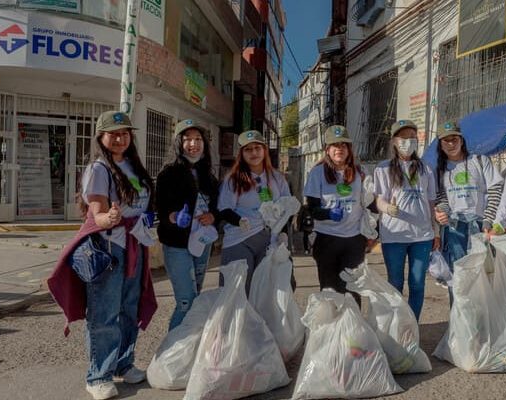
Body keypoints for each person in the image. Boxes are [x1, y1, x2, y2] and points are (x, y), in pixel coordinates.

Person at [48, 111, 157, 400]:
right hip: (109, 248)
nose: (120, 138)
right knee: (104, 313)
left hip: (135, 243)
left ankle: (123, 364)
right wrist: (107, 217)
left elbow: (141, 205)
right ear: (101, 137)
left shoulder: (132, 166)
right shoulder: (99, 169)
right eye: (113, 133)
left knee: (129, 308)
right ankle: (98, 375)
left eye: (124, 133)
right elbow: (97, 214)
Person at [155, 119, 221, 331]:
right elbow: (160, 208)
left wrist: (213, 216)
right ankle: (172, 353)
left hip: (201, 243)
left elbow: (217, 206)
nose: (194, 144)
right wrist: (174, 217)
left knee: (196, 298)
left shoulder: (208, 175)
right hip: (177, 244)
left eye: (198, 139)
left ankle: (190, 351)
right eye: (188, 140)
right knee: (186, 301)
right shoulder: (168, 173)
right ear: (179, 143)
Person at [373, 119, 437, 320]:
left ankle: (412, 327)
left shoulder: (425, 168)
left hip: (422, 236)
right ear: (394, 141)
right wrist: (387, 208)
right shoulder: (383, 169)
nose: (408, 141)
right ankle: (397, 327)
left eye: (412, 137)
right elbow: (379, 200)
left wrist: (436, 232)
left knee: (417, 283)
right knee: (395, 283)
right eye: (403, 137)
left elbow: (431, 201)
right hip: (394, 236)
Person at [303, 125, 372, 305]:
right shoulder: (317, 173)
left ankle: (351, 330)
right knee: (329, 289)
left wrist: (371, 233)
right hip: (326, 239)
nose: (339, 149)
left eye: (343, 145)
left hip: (353, 240)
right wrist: (327, 213)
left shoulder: (360, 173)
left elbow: (369, 206)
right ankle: (330, 331)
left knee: (352, 288)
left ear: (349, 149)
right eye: (335, 145)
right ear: (328, 149)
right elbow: (312, 209)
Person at [433, 121, 504, 293]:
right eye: (446, 140)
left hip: (480, 227)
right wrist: (442, 212)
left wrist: (488, 220)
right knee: (457, 279)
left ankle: (481, 319)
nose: (451, 144)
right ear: (440, 145)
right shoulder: (439, 170)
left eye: (454, 139)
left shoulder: (479, 161)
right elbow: (441, 198)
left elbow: (496, 189)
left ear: (462, 140)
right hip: (453, 229)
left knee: (483, 278)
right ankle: (458, 319)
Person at [218, 130, 290, 293]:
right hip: (241, 238)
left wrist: (284, 232)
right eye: (248, 149)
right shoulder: (234, 178)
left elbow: (287, 207)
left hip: (270, 240)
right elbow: (224, 209)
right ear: (241, 154)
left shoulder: (277, 178)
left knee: (265, 293)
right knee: (238, 292)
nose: (254, 153)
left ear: (265, 150)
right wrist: (238, 221)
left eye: (257, 148)